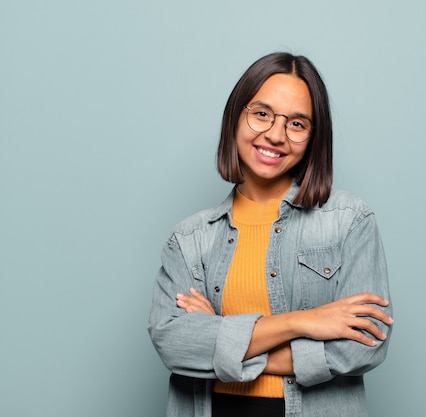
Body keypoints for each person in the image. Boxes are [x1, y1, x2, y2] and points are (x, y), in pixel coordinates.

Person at [148, 52, 393, 417]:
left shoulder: (349, 222)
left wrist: (219, 337)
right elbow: (173, 344)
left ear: (313, 137)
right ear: (236, 116)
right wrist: (300, 321)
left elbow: (364, 345)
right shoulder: (189, 239)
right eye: (262, 113)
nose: (276, 135)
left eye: (297, 124)